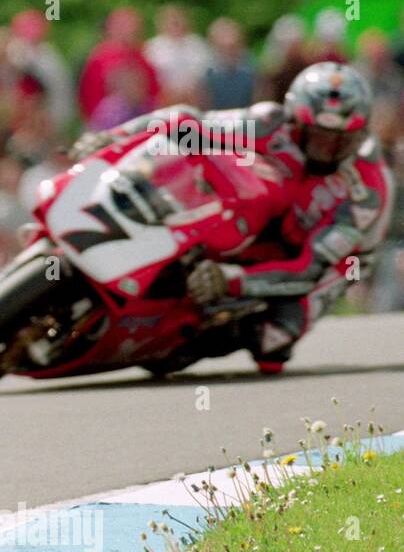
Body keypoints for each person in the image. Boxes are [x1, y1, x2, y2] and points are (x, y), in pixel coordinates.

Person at [69, 62, 394, 371]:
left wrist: (231, 280)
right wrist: (113, 139)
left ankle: (188, 339)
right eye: (321, 137)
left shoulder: (364, 191)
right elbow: (187, 124)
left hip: (329, 257)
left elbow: (307, 270)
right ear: (296, 123)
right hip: (268, 220)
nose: (331, 150)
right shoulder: (269, 122)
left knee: (273, 341)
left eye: (343, 140)